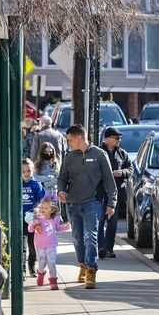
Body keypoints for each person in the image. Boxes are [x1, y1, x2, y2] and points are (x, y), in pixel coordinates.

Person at [57, 124, 116, 289]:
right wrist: (61, 190)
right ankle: (82, 265)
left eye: (70, 141)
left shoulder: (99, 155)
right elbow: (62, 178)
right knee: (77, 238)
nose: (69, 144)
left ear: (79, 138)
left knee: (91, 236)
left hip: (93, 202)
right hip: (73, 204)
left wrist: (111, 203)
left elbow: (109, 181)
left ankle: (91, 270)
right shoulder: (69, 157)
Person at [97, 127, 132, 259]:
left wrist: (121, 173)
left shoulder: (122, 153)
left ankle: (109, 249)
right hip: (100, 193)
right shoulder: (98, 152)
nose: (119, 140)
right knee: (99, 221)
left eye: (119, 138)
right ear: (108, 138)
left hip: (116, 194)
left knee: (112, 223)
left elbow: (130, 169)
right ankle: (101, 247)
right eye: (116, 138)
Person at [28, 196, 70, 290]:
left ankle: (53, 282)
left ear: (52, 210)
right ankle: (41, 274)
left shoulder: (54, 219)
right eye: (42, 207)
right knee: (42, 263)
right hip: (40, 245)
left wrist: (66, 227)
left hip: (51, 245)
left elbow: (57, 228)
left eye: (46, 208)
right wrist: (33, 223)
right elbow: (30, 230)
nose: (43, 209)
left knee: (52, 263)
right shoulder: (38, 219)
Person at [21, 158, 46, 277]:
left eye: (28, 171)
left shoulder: (36, 185)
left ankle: (31, 266)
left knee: (32, 244)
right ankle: (22, 269)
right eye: (24, 171)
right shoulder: (17, 183)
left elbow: (43, 201)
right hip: (19, 218)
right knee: (21, 244)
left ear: (33, 170)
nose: (26, 174)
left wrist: (39, 209)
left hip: (32, 218)